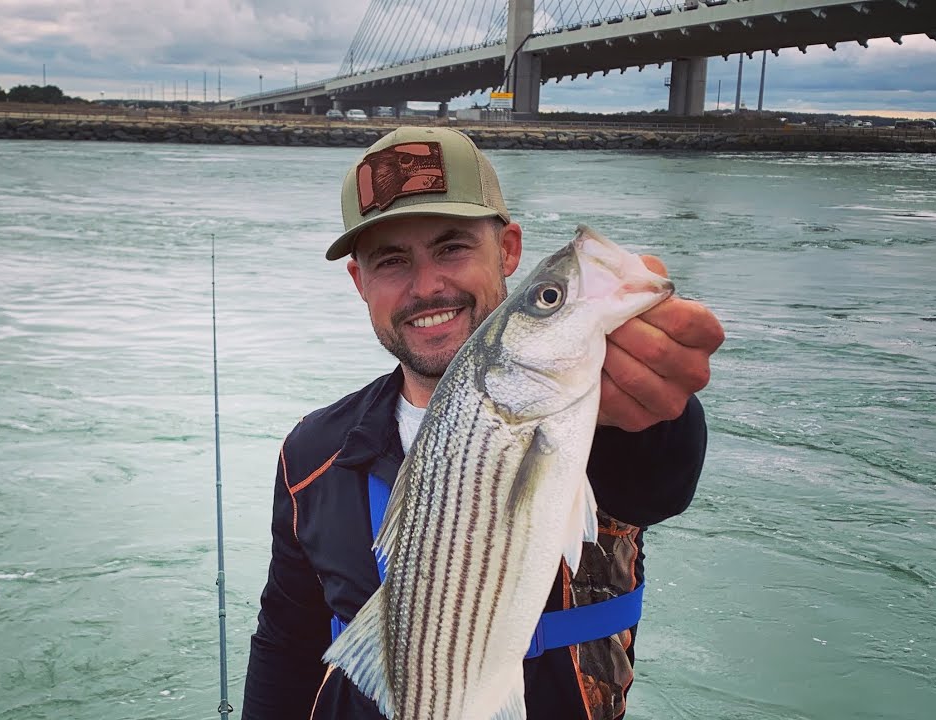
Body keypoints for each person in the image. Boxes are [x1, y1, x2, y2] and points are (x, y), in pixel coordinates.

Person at [242, 126, 724, 719]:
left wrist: (657, 400)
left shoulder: (600, 421)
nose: (426, 287)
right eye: (391, 261)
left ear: (510, 250)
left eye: (452, 248)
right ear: (359, 282)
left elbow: (658, 473)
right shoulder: (312, 452)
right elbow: (286, 641)